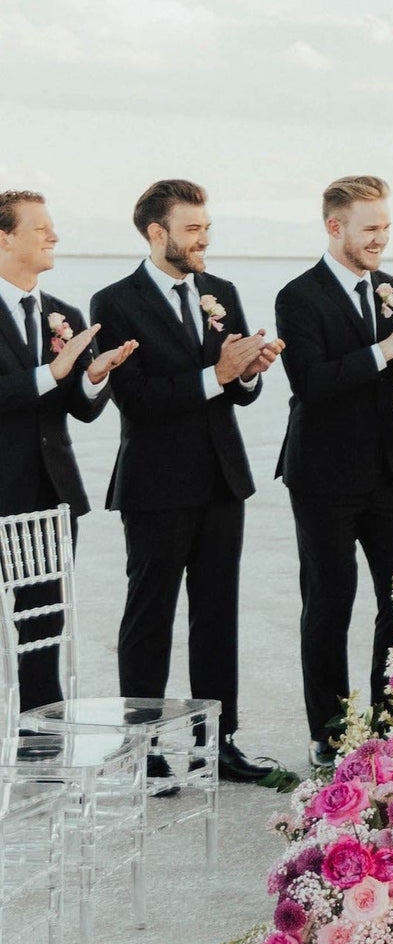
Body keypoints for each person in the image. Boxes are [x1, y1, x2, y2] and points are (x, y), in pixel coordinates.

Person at [89, 180, 285, 783]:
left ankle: (218, 744)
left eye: (206, 227)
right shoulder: (113, 301)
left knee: (217, 614)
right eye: (193, 228)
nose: (204, 238)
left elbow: (239, 388)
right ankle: (142, 745)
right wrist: (215, 373)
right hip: (154, 483)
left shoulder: (220, 292)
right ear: (157, 233)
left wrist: (250, 373)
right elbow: (137, 399)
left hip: (222, 478)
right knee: (150, 615)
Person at [274, 175, 393, 768]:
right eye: (370, 228)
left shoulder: (392, 288)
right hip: (321, 473)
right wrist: (388, 349)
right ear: (334, 227)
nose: (381, 239)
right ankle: (332, 729)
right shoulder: (298, 297)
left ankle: (392, 718)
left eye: (386, 228)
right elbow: (312, 384)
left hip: (389, 469)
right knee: (329, 602)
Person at [0, 190, 135, 709]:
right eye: (40, 229)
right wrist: (49, 374)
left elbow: (80, 409)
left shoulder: (65, 314)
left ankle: (41, 734)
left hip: (52, 493)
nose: (53, 236)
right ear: (5, 237)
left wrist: (94, 379)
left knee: (46, 622)